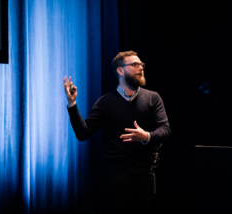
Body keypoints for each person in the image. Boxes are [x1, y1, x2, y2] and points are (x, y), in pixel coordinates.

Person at [64, 51, 170, 214]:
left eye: (141, 64)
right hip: (117, 174)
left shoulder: (153, 98)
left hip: (146, 172)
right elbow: (83, 133)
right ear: (120, 70)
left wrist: (146, 136)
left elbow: (165, 130)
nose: (140, 67)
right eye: (135, 65)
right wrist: (72, 104)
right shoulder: (105, 102)